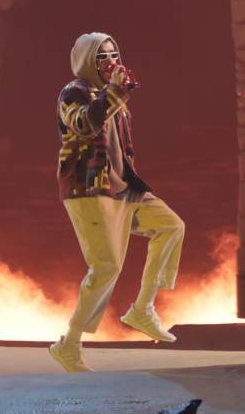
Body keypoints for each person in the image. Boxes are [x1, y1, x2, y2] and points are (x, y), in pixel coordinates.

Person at [49, 32, 185, 373]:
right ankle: (69, 345)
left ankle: (142, 309)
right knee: (106, 267)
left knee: (171, 226)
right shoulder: (73, 92)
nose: (110, 61)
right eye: (102, 56)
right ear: (87, 60)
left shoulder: (115, 96)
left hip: (124, 188)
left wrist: (116, 94)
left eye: (113, 54)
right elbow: (84, 123)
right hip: (89, 190)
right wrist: (114, 92)